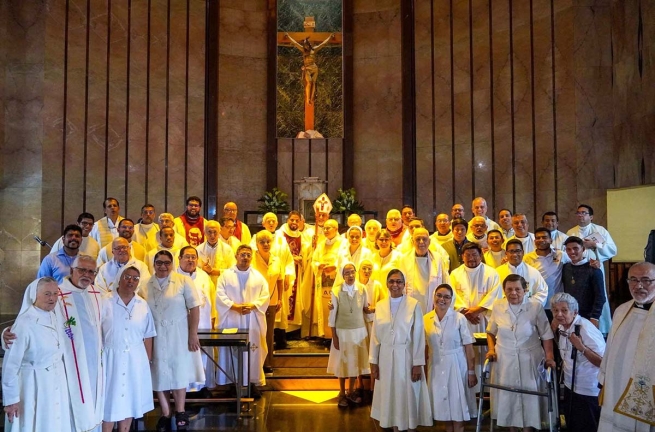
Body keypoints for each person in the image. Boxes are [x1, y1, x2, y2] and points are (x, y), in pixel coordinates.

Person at [4, 254, 108, 432]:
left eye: (92, 271)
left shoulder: (99, 295)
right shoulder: (58, 293)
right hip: (65, 370)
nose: (87, 274)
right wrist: (6, 336)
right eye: (82, 269)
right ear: (72, 270)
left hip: (93, 369)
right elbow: (29, 318)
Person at [142, 250, 204, 432]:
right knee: (159, 372)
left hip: (179, 334)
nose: (163, 266)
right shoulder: (146, 284)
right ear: (153, 264)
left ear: (172, 263)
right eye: (159, 263)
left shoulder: (184, 281)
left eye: (166, 263)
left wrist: (193, 334)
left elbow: (194, 308)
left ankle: (180, 411)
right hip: (155, 334)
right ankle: (166, 413)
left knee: (178, 371)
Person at [485, 274, 556, 431]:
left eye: (518, 289)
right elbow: (490, 331)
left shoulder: (535, 306)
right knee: (508, 396)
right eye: (509, 289)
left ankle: (528, 428)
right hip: (505, 359)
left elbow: (546, 335)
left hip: (529, 357)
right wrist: (491, 349)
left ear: (525, 290)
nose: (513, 293)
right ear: (504, 291)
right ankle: (512, 428)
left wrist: (549, 357)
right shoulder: (498, 306)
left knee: (529, 396)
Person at [2, 277, 73, 431]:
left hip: (55, 380)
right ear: (35, 295)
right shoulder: (25, 323)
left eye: (55, 293)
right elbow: (10, 365)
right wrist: (11, 400)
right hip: (32, 383)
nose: (52, 298)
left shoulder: (55, 315)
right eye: (47, 294)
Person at [369, 269, 432, 431]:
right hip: (385, 358)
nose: (395, 285)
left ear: (404, 284)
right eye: (391, 281)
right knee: (389, 394)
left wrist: (418, 363)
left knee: (407, 393)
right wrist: (373, 362)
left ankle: (409, 426)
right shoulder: (381, 305)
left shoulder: (413, 305)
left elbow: (419, 335)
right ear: (387, 284)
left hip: (406, 357)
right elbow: (375, 336)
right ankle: (395, 426)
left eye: (398, 281)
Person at [598, 261, 655, 431]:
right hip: (617, 383)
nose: (639, 286)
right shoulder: (621, 310)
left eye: (646, 280)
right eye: (634, 280)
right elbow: (610, 348)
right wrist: (604, 378)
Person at [101, 267, 156, 432]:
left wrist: (146, 361)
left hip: (135, 359)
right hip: (110, 358)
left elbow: (148, 334)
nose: (131, 281)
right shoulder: (105, 301)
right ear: (119, 278)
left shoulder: (142, 304)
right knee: (109, 400)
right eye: (127, 277)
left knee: (130, 399)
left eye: (135, 278)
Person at [215, 245, 269, 393]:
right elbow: (219, 295)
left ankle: (250, 382)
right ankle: (232, 382)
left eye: (248, 255)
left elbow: (265, 296)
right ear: (236, 256)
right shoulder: (226, 275)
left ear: (251, 258)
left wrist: (253, 305)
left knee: (253, 350)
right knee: (231, 351)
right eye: (242, 254)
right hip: (232, 318)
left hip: (252, 319)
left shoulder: (258, 277)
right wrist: (234, 306)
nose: (245, 257)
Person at [424, 284, 477, 432]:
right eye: (439, 295)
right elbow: (425, 347)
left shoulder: (459, 318)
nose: (442, 299)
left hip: (456, 364)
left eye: (446, 297)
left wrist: (471, 371)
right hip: (436, 365)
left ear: (451, 299)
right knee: (444, 409)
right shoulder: (426, 319)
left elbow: (468, 347)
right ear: (434, 296)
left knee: (457, 406)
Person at [450, 242, 503, 387]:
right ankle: (468, 384)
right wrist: (466, 312)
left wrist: (477, 310)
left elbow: (495, 295)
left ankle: (486, 387)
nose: (471, 258)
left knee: (484, 351)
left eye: (474, 254)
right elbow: (452, 296)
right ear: (462, 257)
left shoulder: (491, 273)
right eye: (467, 255)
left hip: (484, 319)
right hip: (464, 320)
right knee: (467, 350)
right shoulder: (455, 274)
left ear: (481, 255)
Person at [551, 292, 605, 432]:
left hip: (588, 389)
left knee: (588, 426)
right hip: (571, 386)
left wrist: (581, 348)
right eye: (556, 310)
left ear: (574, 312)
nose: (559, 314)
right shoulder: (562, 327)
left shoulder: (585, 329)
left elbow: (603, 362)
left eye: (564, 310)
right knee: (573, 425)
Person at [566, 204, 617, 335]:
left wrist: (594, 244)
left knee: (598, 295)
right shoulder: (571, 232)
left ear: (591, 216)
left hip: (594, 268)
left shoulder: (600, 230)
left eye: (584, 213)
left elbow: (612, 249)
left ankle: (600, 327)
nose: (581, 215)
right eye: (578, 213)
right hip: (576, 270)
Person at [327, 263, 370, 407]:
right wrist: (334, 336)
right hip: (342, 331)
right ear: (342, 275)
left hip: (358, 331)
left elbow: (366, 308)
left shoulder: (362, 289)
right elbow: (333, 315)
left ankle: (351, 391)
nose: (350, 275)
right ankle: (342, 392)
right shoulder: (336, 291)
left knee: (355, 363)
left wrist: (380, 309)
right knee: (343, 363)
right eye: (347, 273)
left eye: (352, 272)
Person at [176, 246, 217, 391]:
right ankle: (185, 390)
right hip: (181, 326)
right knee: (185, 358)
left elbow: (211, 298)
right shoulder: (173, 277)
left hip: (203, 323)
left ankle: (203, 387)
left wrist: (213, 318)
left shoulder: (203, 276)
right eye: (187, 257)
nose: (191, 260)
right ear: (179, 258)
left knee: (203, 356)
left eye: (193, 257)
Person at [251, 231, 284, 374]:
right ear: (257, 243)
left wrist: (280, 298)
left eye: (268, 241)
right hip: (255, 303)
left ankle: (268, 363)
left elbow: (280, 280)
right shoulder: (252, 259)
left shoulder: (277, 259)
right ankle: (255, 364)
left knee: (269, 333)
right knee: (256, 333)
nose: (265, 244)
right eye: (262, 241)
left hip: (271, 301)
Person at [399, 227, 449, 314]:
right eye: (418, 239)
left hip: (433, 307)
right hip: (410, 308)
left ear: (429, 242)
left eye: (424, 239)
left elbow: (446, 282)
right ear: (412, 241)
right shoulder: (404, 259)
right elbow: (400, 285)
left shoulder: (438, 258)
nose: (421, 242)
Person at [524, 227, 568, 319]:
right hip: (535, 303)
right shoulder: (527, 258)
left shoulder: (560, 255)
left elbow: (577, 261)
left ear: (551, 240)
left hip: (556, 304)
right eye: (538, 238)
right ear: (534, 241)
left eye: (544, 237)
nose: (541, 240)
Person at [311, 219, 344, 338]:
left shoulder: (343, 243)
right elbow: (314, 260)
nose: (325, 230)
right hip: (323, 282)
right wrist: (317, 266)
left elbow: (345, 261)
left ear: (336, 229)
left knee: (337, 306)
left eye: (328, 228)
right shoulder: (321, 244)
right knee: (324, 308)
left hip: (337, 282)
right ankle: (325, 335)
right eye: (324, 228)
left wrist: (335, 267)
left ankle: (336, 336)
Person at [561, 236, 605, 327]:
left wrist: (595, 317)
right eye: (568, 249)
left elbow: (600, 297)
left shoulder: (593, 270)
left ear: (583, 249)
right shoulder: (566, 268)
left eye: (575, 248)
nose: (572, 252)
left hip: (588, 316)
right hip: (569, 315)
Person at [284, 32, 335, 105]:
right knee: (309, 83)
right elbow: (295, 43)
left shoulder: (314, 50)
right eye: (305, 45)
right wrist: (288, 37)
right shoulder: (303, 50)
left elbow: (323, 44)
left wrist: (330, 37)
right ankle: (307, 99)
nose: (306, 47)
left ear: (309, 44)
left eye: (307, 45)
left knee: (313, 83)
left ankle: (311, 98)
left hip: (314, 68)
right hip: (307, 68)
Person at [495, 239, 549, 306]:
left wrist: (528, 304)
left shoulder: (533, 272)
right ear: (506, 253)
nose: (514, 255)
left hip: (528, 310)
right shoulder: (497, 273)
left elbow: (542, 292)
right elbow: (493, 294)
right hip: (504, 311)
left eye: (518, 251)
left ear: (523, 252)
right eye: (511, 251)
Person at [197, 220, 236, 286]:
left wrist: (216, 271)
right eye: (209, 232)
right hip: (204, 286)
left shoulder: (227, 249)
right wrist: (202, 269)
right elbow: (193, 271)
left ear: (219, 232)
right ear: (204, 233)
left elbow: (233, 271)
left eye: (215, 232)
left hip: (222, 285)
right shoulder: (198, 250)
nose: (212, 236)